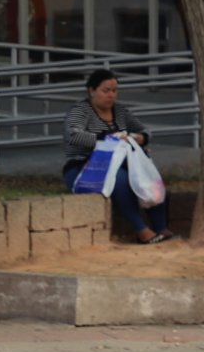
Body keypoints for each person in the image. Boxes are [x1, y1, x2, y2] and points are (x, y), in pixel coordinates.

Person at [61, 68, 172, 245]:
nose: (111, 95)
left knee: (149, 176)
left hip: (120, 162)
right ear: (92, 90)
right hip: (84, 167)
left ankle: (161, 227)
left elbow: (145, 131)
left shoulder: (120, 112)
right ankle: (141, 230)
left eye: (114, 91)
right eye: (106, 91)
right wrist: (107, 138)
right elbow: (74, 136)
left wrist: (138, 138)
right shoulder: (80, 111)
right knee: (119, 179)